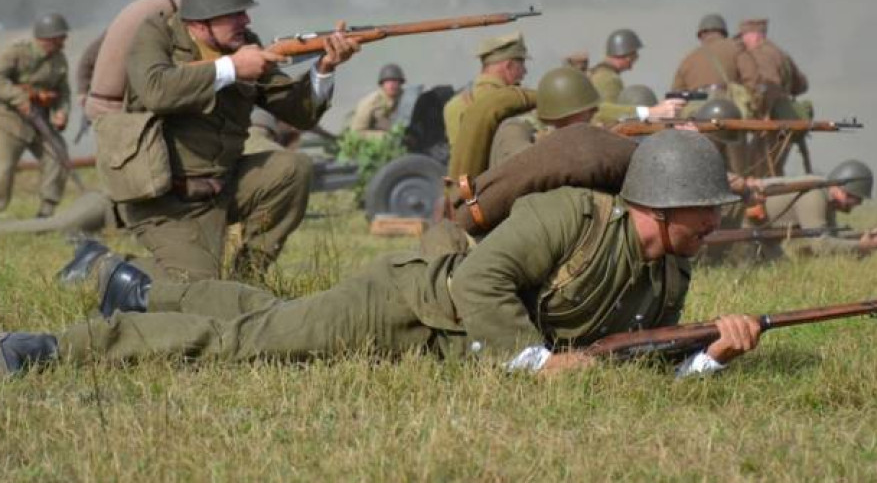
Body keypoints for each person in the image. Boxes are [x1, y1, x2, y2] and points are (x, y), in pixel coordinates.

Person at [0, 129, 761, 378]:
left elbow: (635, 353)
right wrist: (535, 361)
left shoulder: (671, 267)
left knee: (273, 314)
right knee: (251, 344)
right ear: (662, 204)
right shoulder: (570, 216)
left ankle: (135, 287)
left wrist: (707, 358)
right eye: (708, 211)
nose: (717, 224)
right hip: (409, 304)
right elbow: (486, 277)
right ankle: (58, 348)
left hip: (445, 348)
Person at [70, 0, 359, 283]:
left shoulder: (245, 43)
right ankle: (99, 267)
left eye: (244, 13)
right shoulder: (156, 35)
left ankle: (247, 280)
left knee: (294, 169)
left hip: (223, 185)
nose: (246, 20)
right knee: (197, 293)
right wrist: (232, 68)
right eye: (234, 14)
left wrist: (325, 68)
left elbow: (297, 112)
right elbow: (157, 91)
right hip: (167, 202)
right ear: (198, 23)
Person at [711, 159, 877, 264]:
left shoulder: (824, 195)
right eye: (855, 198)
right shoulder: (815, 195)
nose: (857, 204)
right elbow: (821, 246)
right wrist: (863, 246)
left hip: (760, 237)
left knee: (782, 271)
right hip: (740, 232)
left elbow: (830, 236)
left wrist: (865, 238)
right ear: (839, 189)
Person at [0, 12, 72, 217]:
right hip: (9, 120)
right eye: (61, 37)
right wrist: (20, 99)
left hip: (40, 119)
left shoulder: (59, 60)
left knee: (58, 154)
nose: (64, 42)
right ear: (47, 38)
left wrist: (61, 113)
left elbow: (63, 91)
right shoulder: (17, 52)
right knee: (3, 169)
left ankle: (46, 212)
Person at [735, 19, 809, 176]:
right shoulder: (780, 53)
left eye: (744, 36)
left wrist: (764, 114)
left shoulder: (759, 55)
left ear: (754, 36)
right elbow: (802, 85)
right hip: (787, 119)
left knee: (759, 170)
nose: (742, 41)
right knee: (773, 168)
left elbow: (769, 87)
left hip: (771, 122)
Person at [488, 66, 600, 168]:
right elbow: (526, 165)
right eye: (589, 109)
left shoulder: (563, 132)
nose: (595, 112)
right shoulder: (514, 129)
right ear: (570, 112)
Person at [443, 32, 528, 147]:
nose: (525, 72)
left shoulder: (453, 105)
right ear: (509, 66)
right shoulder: (513, 103)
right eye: (521, 65)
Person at [670, 14, 744, 96]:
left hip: (698, 106)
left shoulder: (687, 60)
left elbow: (675, 96)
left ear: (701, 35)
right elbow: (751, 79)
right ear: (723, 33)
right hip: (728, 103)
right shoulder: (736, 48)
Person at [349, 64, 405, 139]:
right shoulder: (370, 102)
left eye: (395, 81)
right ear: (382, 84)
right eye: (388, 81)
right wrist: (384, 136)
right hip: (375, 143)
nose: (391, 85)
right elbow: (356, 133)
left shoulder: (407, 99)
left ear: (400, 83)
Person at [588, 28, 643, 102]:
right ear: (627, 57)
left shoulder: (597, 73)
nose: (630, 68)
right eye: (631, 61)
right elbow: (611, 111)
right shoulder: (609, 79)